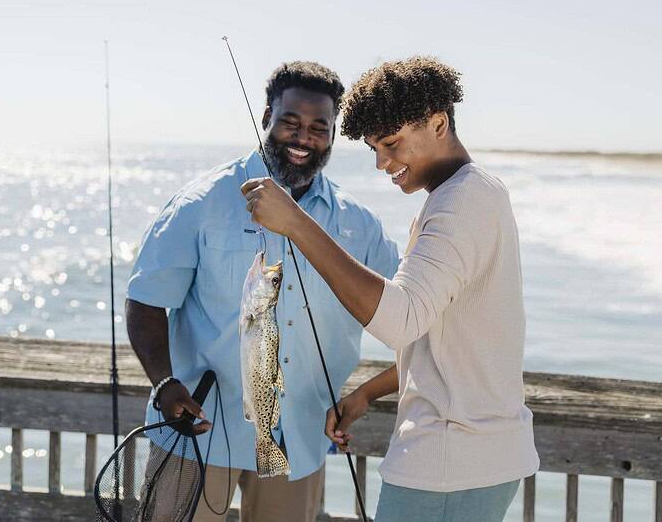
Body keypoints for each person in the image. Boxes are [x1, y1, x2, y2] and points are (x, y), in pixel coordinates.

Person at [241, 56, 540, 522]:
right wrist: (367, 394)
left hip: (449, 464)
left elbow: (400, 322)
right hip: (474, 458)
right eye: (374, 148)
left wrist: (297, 224)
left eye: (393, 143)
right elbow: (439, 338)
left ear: (438, 123)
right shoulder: (470, 193)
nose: (383, 163)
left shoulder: (461, 203)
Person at [126, 60, 400, 522]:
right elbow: (146, 301)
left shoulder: (358, 223)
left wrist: (367, 394)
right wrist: (165, 384)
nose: (303, 138)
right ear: (266, 117)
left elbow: (411, 309)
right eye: (290, 122)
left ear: (333, 134)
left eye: (319, 127)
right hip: (199, 430)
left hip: (301, 437)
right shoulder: (202, 202)